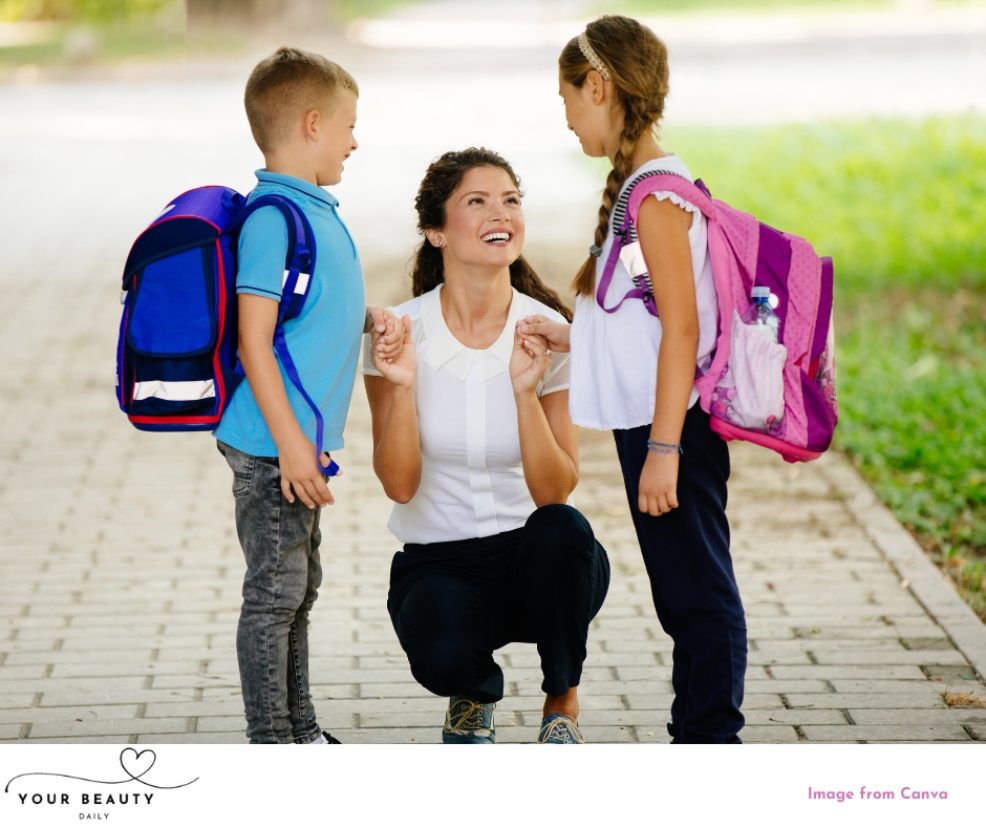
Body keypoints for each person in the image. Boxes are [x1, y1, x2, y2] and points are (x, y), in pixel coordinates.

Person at [520, 16, 748, 743]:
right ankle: (697, 725)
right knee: (680, 588)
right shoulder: (643, 191)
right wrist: (569, 334)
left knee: (697, 589)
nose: (566, 117)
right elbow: (642, 315)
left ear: (600, 86)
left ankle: (710, 735)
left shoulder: (655, 198)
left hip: (673, 429)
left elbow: (682, 327)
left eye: (568, 99)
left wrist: (665, 447)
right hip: (657, 424)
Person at [364, 147, 610, 744]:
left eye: (510, 200)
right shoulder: (400, 332)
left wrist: (525, 394)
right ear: (436, 231)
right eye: (476, 201)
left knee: (563, 530)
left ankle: (562, 701)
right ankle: (473, 693)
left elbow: (556, 489)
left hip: (536, 561)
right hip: (439, 561)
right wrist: (402, 385)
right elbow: (399, 485)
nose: (500, 213)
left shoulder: (544, 329)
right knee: (440, 648)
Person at [213, 47, 402, 744]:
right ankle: (273, 741)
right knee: (273, 596)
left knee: (299, 587)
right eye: (350, 126)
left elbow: (309, 309)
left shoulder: (310, 209)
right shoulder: (274, 219)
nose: (356, 140)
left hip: (295, 444)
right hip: (272, 445)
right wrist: (294, 447)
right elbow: (253, 342)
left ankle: (302, 728)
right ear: (314, 124)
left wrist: (366, 317)